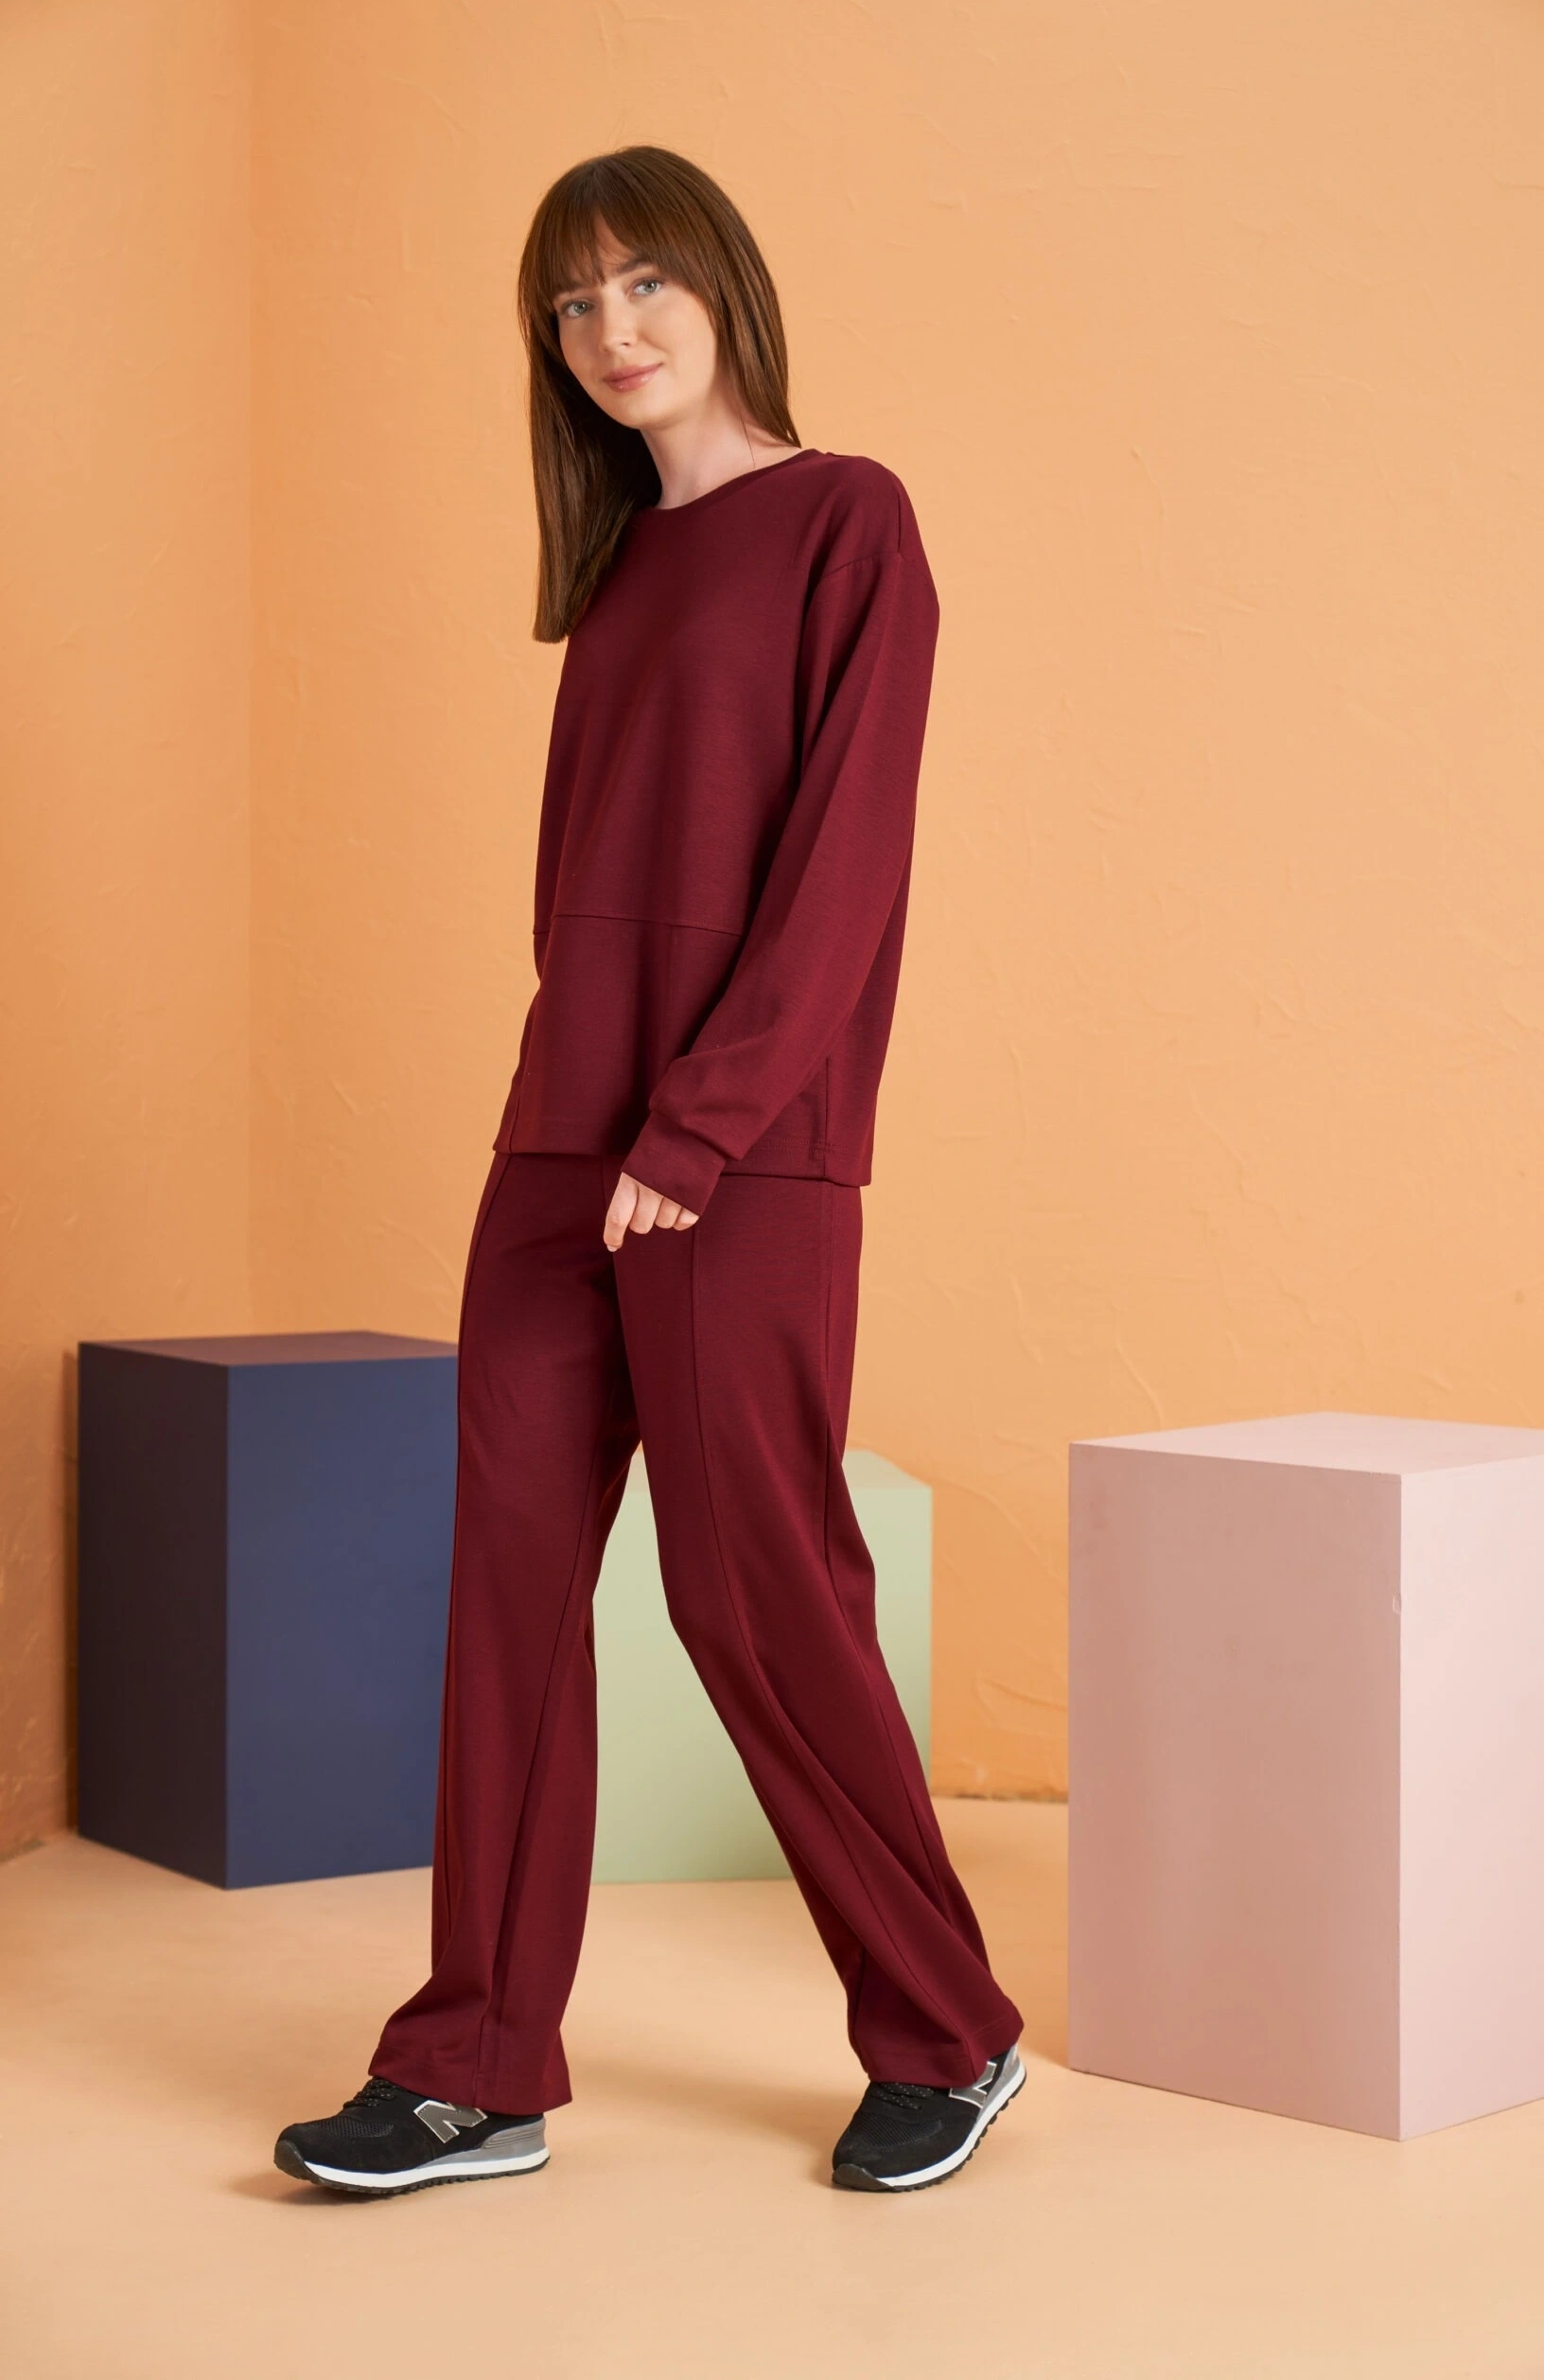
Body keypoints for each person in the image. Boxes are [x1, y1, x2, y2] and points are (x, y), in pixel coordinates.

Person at [273, 143, 1025, 2200]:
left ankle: (945, 2029)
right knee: (508, 1586)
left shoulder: (848, 520)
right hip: (559, 1139)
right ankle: (475, 2064)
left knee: (747, 1585)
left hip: (739, 1151)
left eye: (640, 284)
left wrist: (699, 1126)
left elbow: (844, 866)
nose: (609, 331)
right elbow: (580, 891)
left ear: (722, 288)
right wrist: (577, 1111)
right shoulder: (613, 570)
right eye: (569, 304)